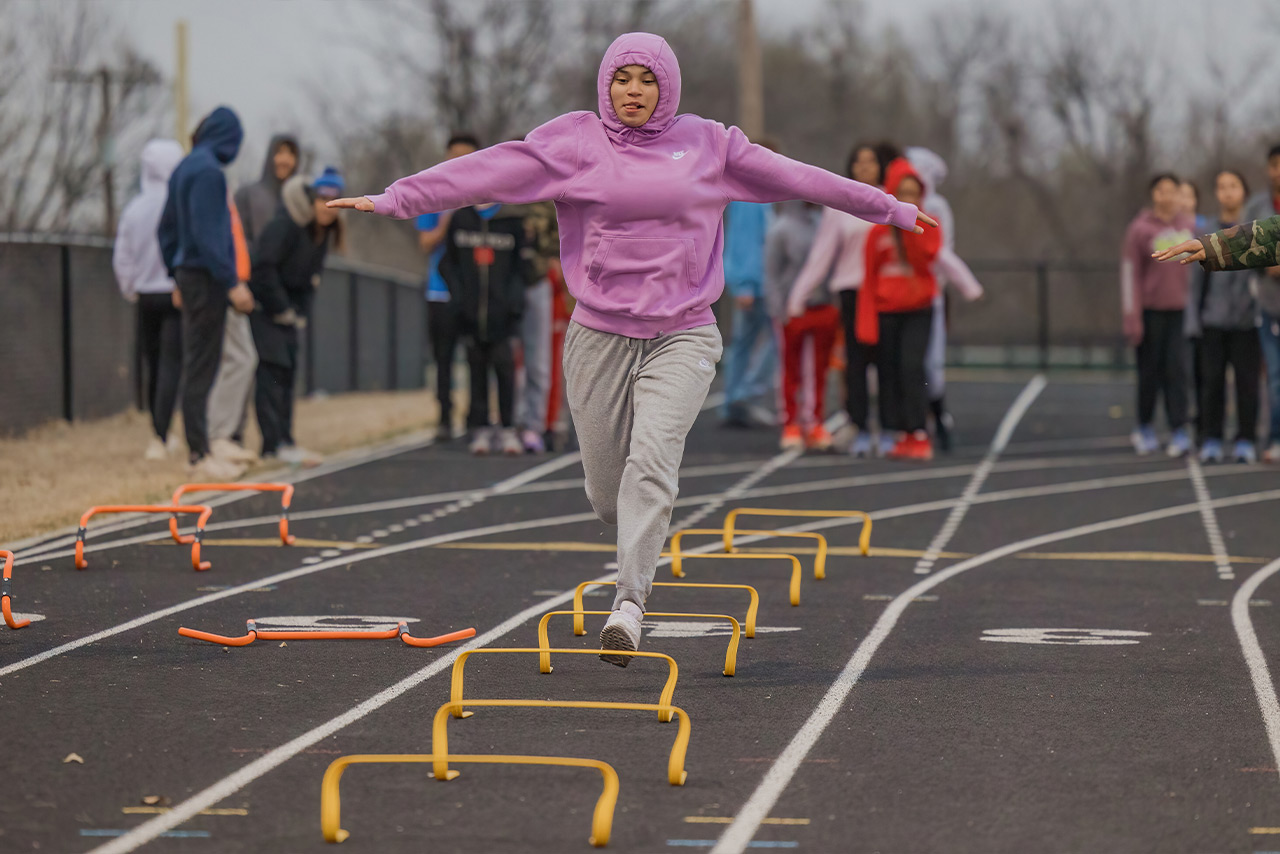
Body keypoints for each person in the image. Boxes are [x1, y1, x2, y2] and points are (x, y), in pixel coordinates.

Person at [327, 32, 933, 664]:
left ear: (666, 86)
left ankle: (630, 603)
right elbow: (484, 170)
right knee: (607, 491)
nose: (634, 90)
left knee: (652, 462)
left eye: (647, 79)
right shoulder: (573, 143)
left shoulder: (711, 145)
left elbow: (799, 177)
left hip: (685, 331)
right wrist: (396, 198)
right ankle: (635, 541)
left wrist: (887, 207)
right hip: (599, 334)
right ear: (606, 85)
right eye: (623, 79)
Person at [158, 106, 254, 479]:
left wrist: (174, 274)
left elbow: (166, 231)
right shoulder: (209, 173)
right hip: (206, 277)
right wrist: (231, 282)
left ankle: (206, 446)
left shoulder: (183, 168)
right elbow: (210, 235)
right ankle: (199, 454)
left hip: (189, 274)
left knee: (201, 360)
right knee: (203, 364)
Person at [785, 142, 884, 456]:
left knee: (890, 362)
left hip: (888, 294)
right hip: (852, 292)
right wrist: (798, 295)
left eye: (871, 161)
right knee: (855, 363)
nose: (865, 167)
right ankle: (859, 426)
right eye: (859, 162)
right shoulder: (839, 204)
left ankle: (896, 427)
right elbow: (821, 256)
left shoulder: (892, 199)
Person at [248, 168, 345, 463]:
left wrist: (298, 312)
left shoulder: (322, 234)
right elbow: (263, 267)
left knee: (287, 373)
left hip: (288, 315)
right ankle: (271, 445)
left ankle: (285, 440)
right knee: (271, 372)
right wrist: (280, 307)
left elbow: (309, 279)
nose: (327, 205)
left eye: (334, 199)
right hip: (264, 309)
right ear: (312, 198)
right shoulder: (286, 224)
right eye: (322, 198)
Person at [855, 158, 943, 461]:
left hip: (918, 309)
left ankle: (919, 431)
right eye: (903, 192)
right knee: (888, 371)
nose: (910, 199)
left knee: (912, 367)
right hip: (886, 310)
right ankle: (898, 431)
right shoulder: (877, 234)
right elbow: (868, 278)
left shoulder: (929, 226)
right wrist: (866, 322)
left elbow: (926, 260)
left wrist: (909, 226)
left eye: (914, 193)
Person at [905, 147, 984, 453]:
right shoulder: (893, 200)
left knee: (931, 364)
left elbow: (941, 248)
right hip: (898, 295)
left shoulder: (937, 206)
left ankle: (937, 417)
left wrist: (962, 283)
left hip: (929, 293)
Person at [437, 201, 532, 456]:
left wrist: (513, 303)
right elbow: (447, 263)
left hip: (503, 317)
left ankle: (508, 428)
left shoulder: (511, 220)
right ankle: (480, 428)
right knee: (476, 369)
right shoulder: (461, 218)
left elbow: (521, 268)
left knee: (505, 370)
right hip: (469, 316)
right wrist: (459, 298)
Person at [114, 139, 187, 461]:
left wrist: (130, 287)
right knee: (171, 364)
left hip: (145, 295)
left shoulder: (134, 208)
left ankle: (159, 431)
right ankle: (161, 433)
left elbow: (123, 256)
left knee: (153, 363)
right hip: (174, 293)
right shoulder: (180, 203)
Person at [1183, 170, 1260, 464]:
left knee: (1247, 384)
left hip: (1247, 322)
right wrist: (1195, 322)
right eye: (1222, 187)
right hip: (1212, 321)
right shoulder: (1207, 233)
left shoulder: (1255, 232)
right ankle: (1211, 438)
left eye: (1233, 186)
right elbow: (1195, 284)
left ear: (1244, 191)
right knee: (1211, 382)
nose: (1227, 192)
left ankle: (1246, 439)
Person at [1121, 173, 1195, 457]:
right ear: (1154, 195)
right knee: (1149, 373)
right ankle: (1145, 426)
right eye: (1161, 191)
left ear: (1180, 194)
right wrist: (1132, 317)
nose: (1166, 196)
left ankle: (1179, 428)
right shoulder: (1140, 229)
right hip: (1150, 313)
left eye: (1172, 191)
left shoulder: (1190, 227)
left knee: (1177, 372)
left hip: (1181, 313)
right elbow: (1130, 274)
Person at [417, 133, 481, 440]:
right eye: (453, 155)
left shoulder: (485, 195)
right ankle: (444, 417)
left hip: (473, 293)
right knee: (442, 359)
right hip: (440, 291)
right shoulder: (433, 194)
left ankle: (475, 419)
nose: (459, 162)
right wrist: (450, 217)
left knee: (475, 357)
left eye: (466, 156)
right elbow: (426, 243)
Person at [720, 144, 779, 429]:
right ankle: (745, 395)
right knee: (774, 339)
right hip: (755, 283)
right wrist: (744, 284)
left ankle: (735, 399)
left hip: (756, 280)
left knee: (744, 342)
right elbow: (744, 243)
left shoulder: (758, 194)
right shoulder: (751, 196)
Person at [766, 200, 829, 450]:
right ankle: (791, 420)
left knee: (818, 369)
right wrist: (778, 309)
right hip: (790, 309)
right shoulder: (780, 229)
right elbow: (771, 274)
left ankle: (814, 421)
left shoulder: (821, 224)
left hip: (822, 306)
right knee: (790, 366)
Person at [502, 196, 561, 453]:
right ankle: (507, 423)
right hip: (504, 285)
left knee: (538, 360)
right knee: (505, 359)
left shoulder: (547, 202)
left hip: (536, 282)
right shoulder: (501, 202)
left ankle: (535, 426)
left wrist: (549, 252)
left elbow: (562, 236)